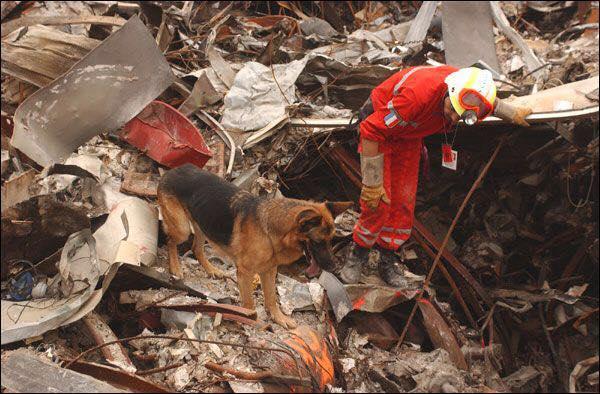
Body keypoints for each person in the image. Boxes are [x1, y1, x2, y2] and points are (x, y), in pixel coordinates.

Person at [338, 65, 532, 286]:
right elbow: (371, 130)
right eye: (451, 109)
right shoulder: (416, 97)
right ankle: (358, 253)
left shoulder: (472, 96)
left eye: (459, 117)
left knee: (403, 201)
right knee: (379, 201)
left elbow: (490, 103)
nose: (451, 117)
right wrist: (372, 184)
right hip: (381, 129)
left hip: (409, 134)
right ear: (449, 91)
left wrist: (511, 111)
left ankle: (388, 258)